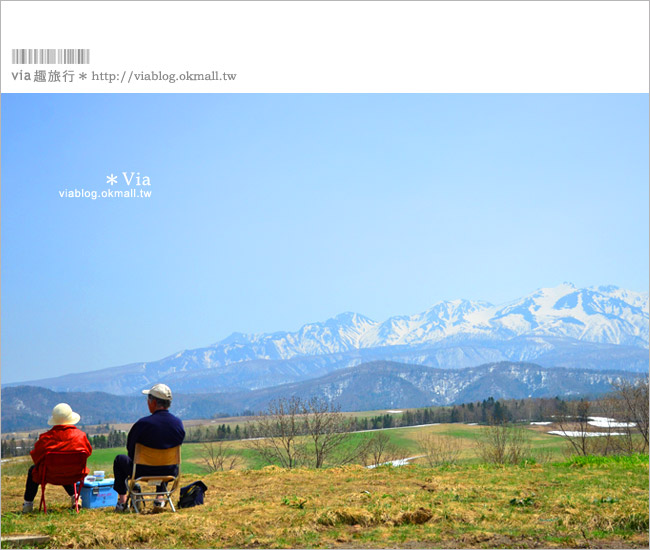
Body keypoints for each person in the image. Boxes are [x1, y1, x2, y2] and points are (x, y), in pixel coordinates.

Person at [113, 383, 185, 512]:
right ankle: (160, 498)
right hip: (169, 471)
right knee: (163, 462)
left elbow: (130, 451)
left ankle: (123, 502)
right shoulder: (178, 423)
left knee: (120, 460)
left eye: (148, 400)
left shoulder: (143, 424)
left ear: (153, 402)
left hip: (141, 471)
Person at [22, 403, 92, 513]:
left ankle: (28, 504)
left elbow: (36, 458)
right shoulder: (81, 436)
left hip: (50, 474)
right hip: (74, 474)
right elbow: (88, 452)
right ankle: (76, 497)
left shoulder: (45, 438)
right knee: (66, 466)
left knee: (36, 469)